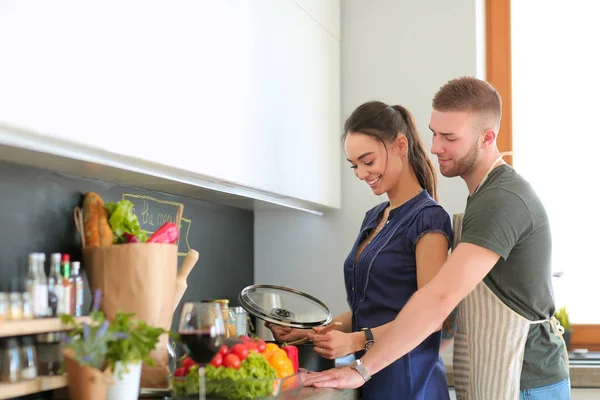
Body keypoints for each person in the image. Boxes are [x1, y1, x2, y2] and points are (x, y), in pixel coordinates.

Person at [305, 77, 571, 400]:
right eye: (434, 133)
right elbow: (448, 315)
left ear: (487, 138)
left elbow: (440, 298)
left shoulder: (500, 199)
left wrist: (361, 366)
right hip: (499, 373)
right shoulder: (482, 197)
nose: (434, 147)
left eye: (449, 137)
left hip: (526, 380)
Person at [267, 101, 454, 399]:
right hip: (369, 375)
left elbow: (433, 321)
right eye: (354, 165)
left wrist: (356, 341)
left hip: (410, 380)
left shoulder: (428, 218)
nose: (361, 173)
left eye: (368, 161)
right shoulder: (374, 217)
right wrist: (310, 331)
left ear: (400, 146)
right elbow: (370, 310)